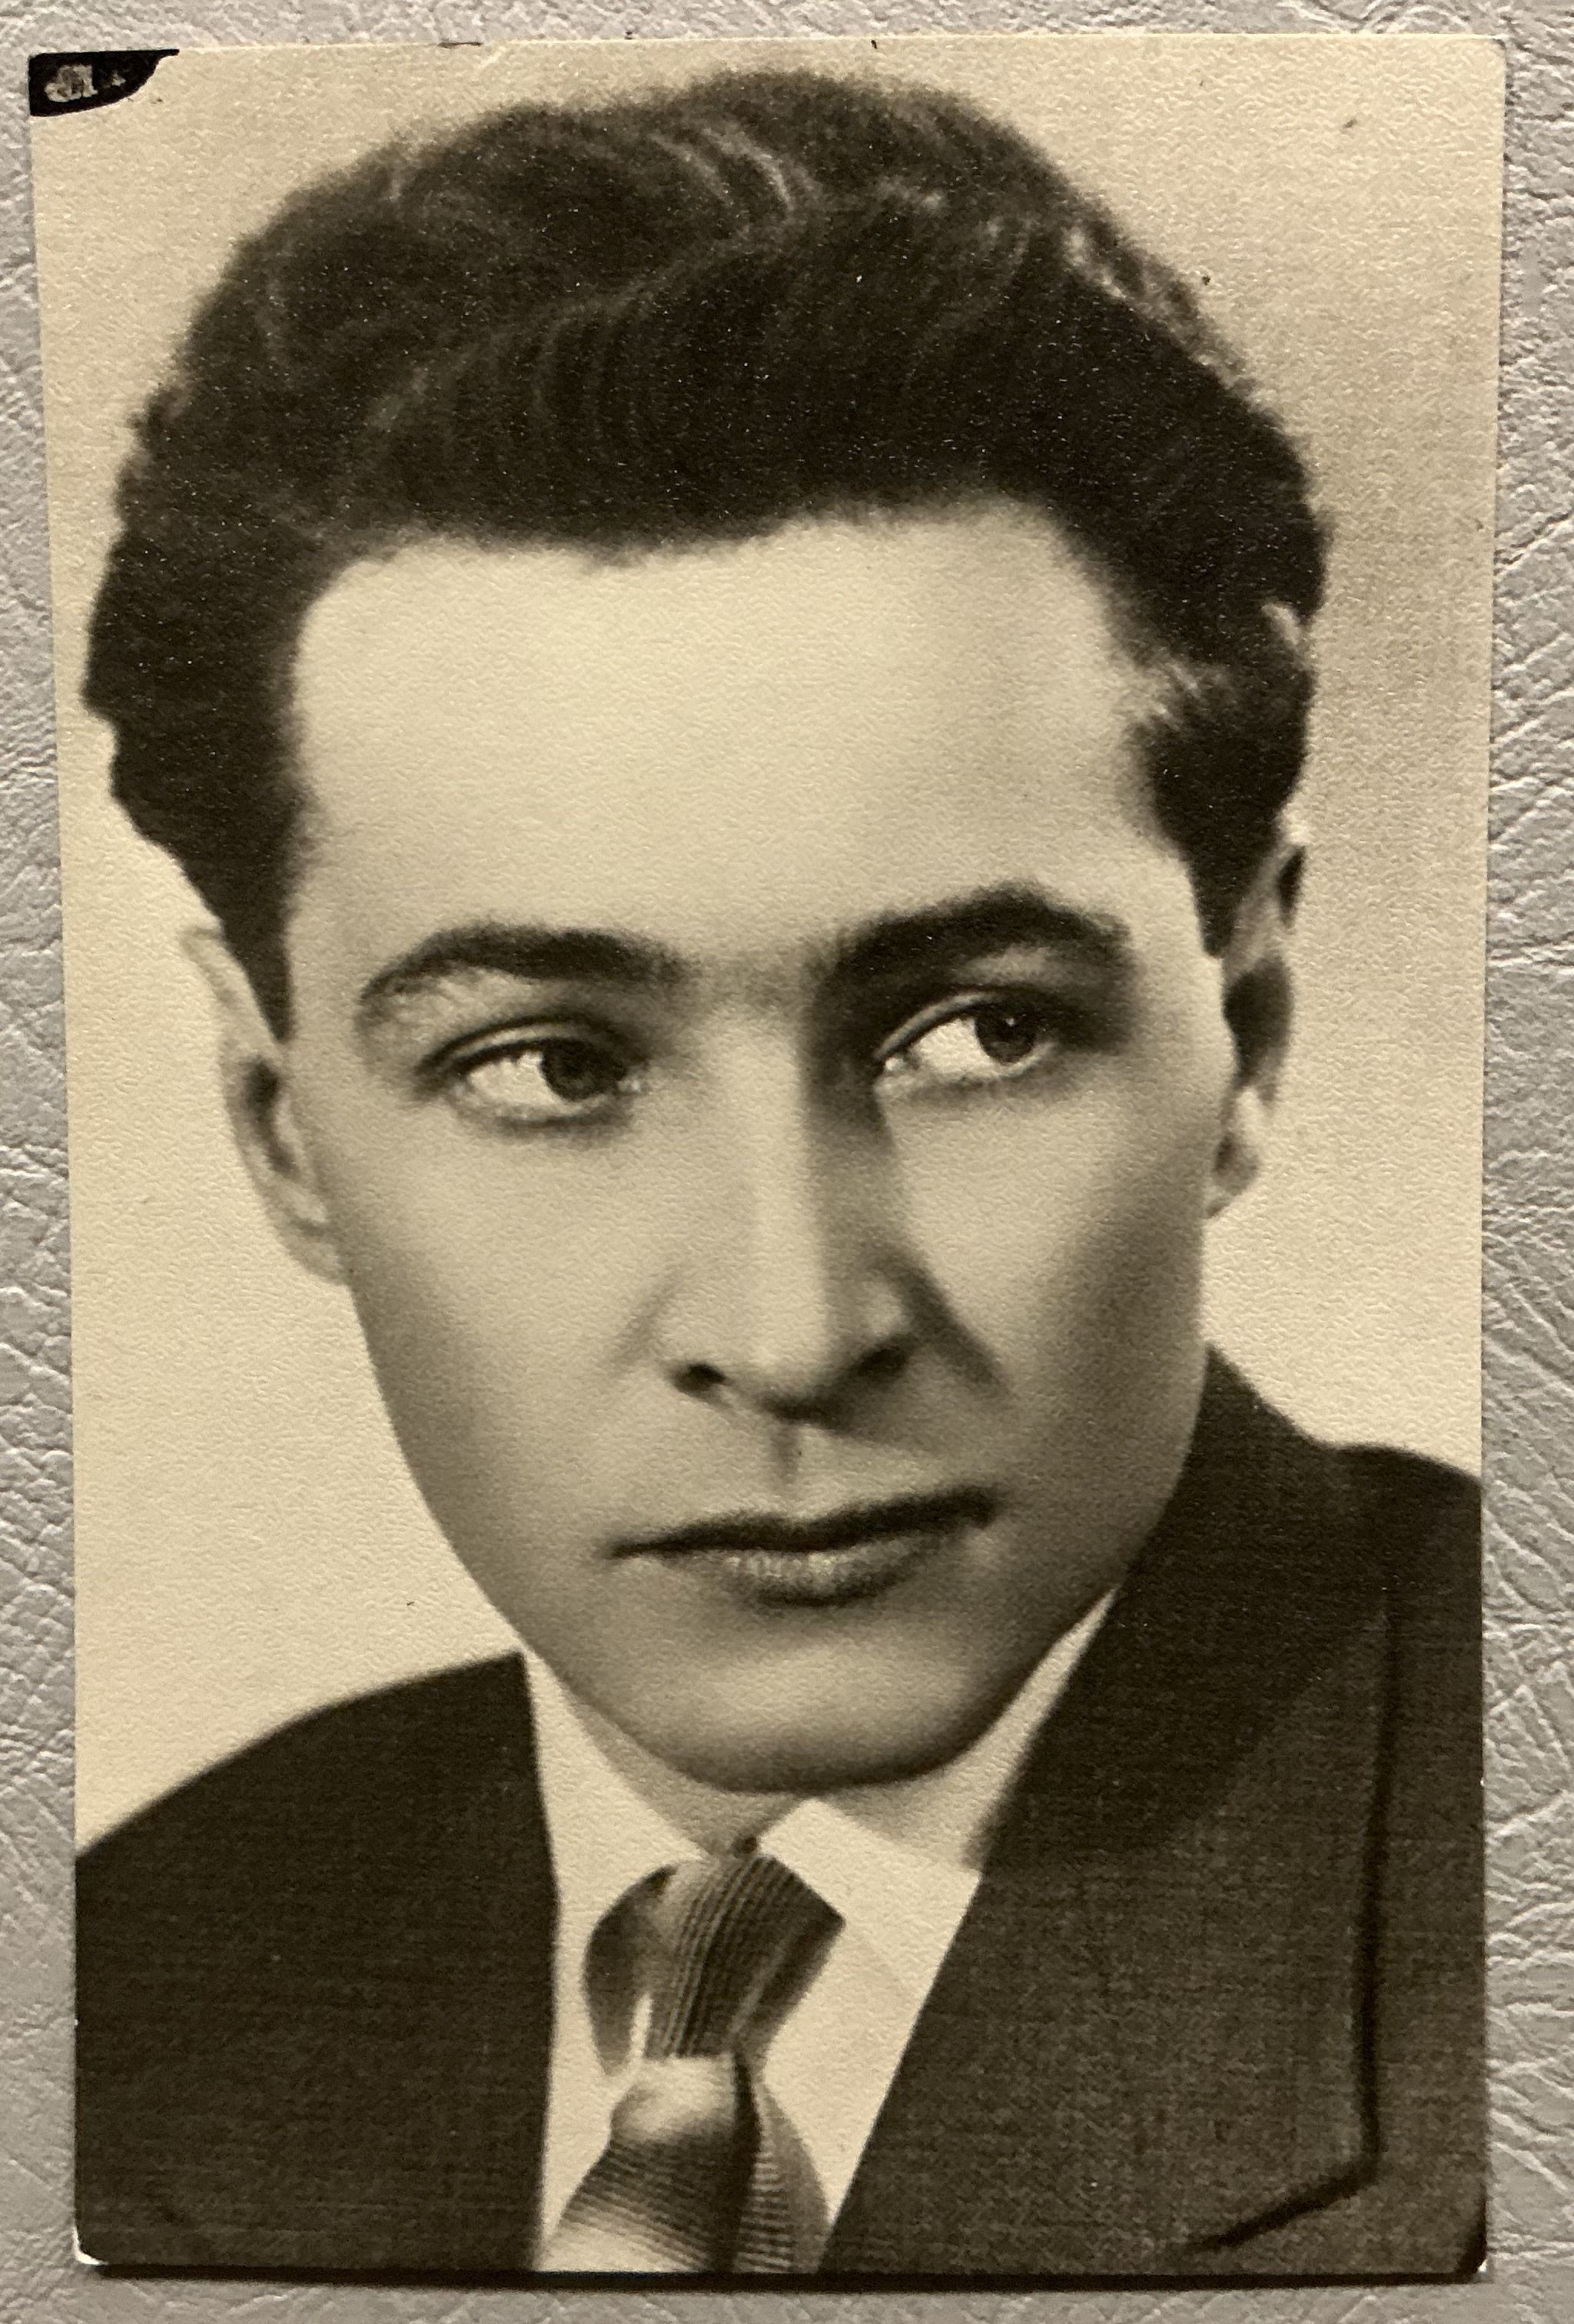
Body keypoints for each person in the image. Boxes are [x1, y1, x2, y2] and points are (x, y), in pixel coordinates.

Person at [74, 64, 1482, 2282]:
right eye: (552, 1067)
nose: (796, 1327)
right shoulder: (128, 1988)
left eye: (978, 1032)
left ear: (1249, 1032)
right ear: (284, 1132)